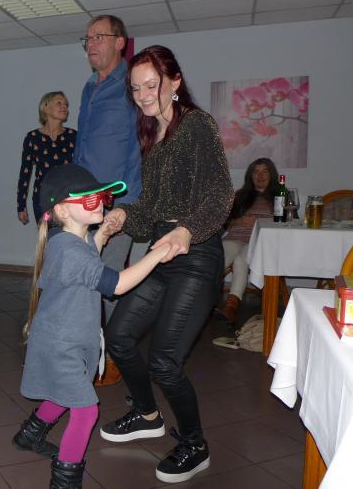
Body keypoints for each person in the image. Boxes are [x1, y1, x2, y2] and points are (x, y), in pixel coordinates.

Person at [98, 45, 232, 484]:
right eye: (135, 88)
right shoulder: (152, 137)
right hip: (160, 251)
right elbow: (153, 213)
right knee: (119, 337)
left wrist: (188, 230)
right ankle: (146, 414)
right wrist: (122, 216)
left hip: (196, 255)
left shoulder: (196, 125)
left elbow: (220, 195)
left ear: (175, 82)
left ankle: (195, 444)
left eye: (151, 85)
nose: (142, 95)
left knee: (164, 361)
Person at [13, 164, 170, 489]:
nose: (99, 203)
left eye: (101, 197)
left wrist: (102, 235)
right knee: (85, 411)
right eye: (88, 199)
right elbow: (116, 284)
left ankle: (29, 435)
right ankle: (64, 481)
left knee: (63, 393)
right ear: (62, 210)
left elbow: (87, 262)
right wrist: (157, 254)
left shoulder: (67, 240)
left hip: (64, 338)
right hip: (62, 344)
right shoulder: (69, 250)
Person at [73, 14, 142, 386]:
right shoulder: (89, 87)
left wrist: (126, 203)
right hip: (86, 202)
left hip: (118, 202)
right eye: (87, 39)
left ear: (120, 42)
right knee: (85, 277)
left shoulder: (132, 85)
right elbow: (84, 147)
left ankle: (115, 355)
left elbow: (140, 147)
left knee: (106, 280)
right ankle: (90, 350)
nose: (91, 44)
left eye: (98, 36)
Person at [220, 158, 278, 322]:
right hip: (235, 237)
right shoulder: (240, 195)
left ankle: (231, 307)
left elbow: (289, 223)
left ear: (271, 175)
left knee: (241, 260)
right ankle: (201, 300)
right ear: (250, 176)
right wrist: (239, 221)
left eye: (264, 171)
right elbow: (225, 223)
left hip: (259, 241)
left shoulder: (280, 195)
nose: (260, 175)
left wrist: (261, 222)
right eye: (256, 172)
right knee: (218, 258)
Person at [16, 91, 76, 225]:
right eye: (59, 103)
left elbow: (81, 169)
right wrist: (21, 206)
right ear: (46, 108)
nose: (64, 107)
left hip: (68, 199)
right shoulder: (32, 138)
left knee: (66, 236)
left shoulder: (73, 136)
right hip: (42, 200)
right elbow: (25, 173)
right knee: (47, 236)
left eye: (66, 105)